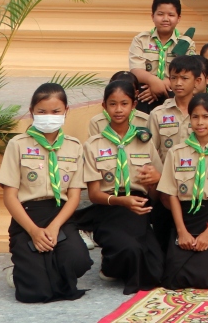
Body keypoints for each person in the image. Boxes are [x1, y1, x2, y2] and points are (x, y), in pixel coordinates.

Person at [0, 83, 92, 303]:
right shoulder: (17, 144)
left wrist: (54, 226)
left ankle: (37, 268)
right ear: (32, 112)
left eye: (55, 111)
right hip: (27, 216)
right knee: (35, 293)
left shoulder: (74, 146)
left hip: (59, 214)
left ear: (66, 111)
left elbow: (75, 195)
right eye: (42, 112)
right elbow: (10, 196)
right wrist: (33, 231)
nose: (49, 116)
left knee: (77, 260)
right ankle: (19, 272)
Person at [83, 79, 163, 295]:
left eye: (124, 103)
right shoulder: (93, 145)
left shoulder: (144, 141)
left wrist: (155, 179)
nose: (119, 109)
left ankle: (118, 262)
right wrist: (122, 201)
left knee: (157, 270)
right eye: (113, 104)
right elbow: (93, 194)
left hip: (140, 209)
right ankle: (110, 265)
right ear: (104, 106)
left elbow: (156, 193)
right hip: (109, 207)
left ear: (134, 105)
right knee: (130, 250)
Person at [157, 94, 208, 290]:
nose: (200, 123)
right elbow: (171, 194)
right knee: (174, 277)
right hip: (184, 217)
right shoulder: (176, 152)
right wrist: (181, 231)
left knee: (207, 277)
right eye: (195, 117)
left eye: (206, 117)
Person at [128, 0, 195, 112]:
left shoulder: (186, 43)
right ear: (152, 16)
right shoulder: (141, 40)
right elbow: (136, 70)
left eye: (171, 15)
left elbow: (189, 73)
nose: (165, 19)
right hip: (145, 92)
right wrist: (153, 82)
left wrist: (161, 86)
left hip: (174, 91)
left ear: (178, 18)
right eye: (160, 14)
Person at [150, 54, 207, 158]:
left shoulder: (206, 112)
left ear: (197, 81)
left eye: (184, 78)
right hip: (166, 173)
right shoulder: (158, 114)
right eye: (174, 78)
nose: (178, 83)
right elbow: (150, 152)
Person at [87, 70, 152, 136]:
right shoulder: (97, 122)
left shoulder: (146, 120)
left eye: (124, 103)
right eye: (113, 104)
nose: (118, 110)